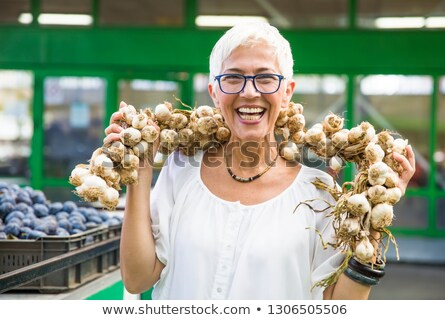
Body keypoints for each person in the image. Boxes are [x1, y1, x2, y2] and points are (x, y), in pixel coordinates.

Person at [104, 22, 416, 299]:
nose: (250, 92)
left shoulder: (318, 194)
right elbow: (137, 279)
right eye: (233, 78)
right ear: (214, 92)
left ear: (286, 93)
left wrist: (375, 219)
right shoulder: (181, 171)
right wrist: (139, 171)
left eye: (266, 78)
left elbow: (340, 305)